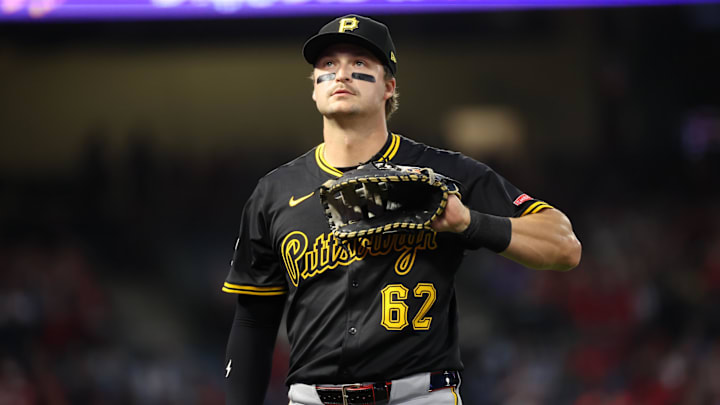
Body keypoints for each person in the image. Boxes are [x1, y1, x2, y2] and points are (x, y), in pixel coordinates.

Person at [222, 14, 581, 405]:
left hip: (418, 396)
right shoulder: (275, 192)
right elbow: (253, 318)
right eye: (327, 65)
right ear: (313, 90)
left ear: (388, 88)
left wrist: (469, 222)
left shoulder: (444, 173)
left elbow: (564, 246)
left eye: (360, 64)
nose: (341, 74)